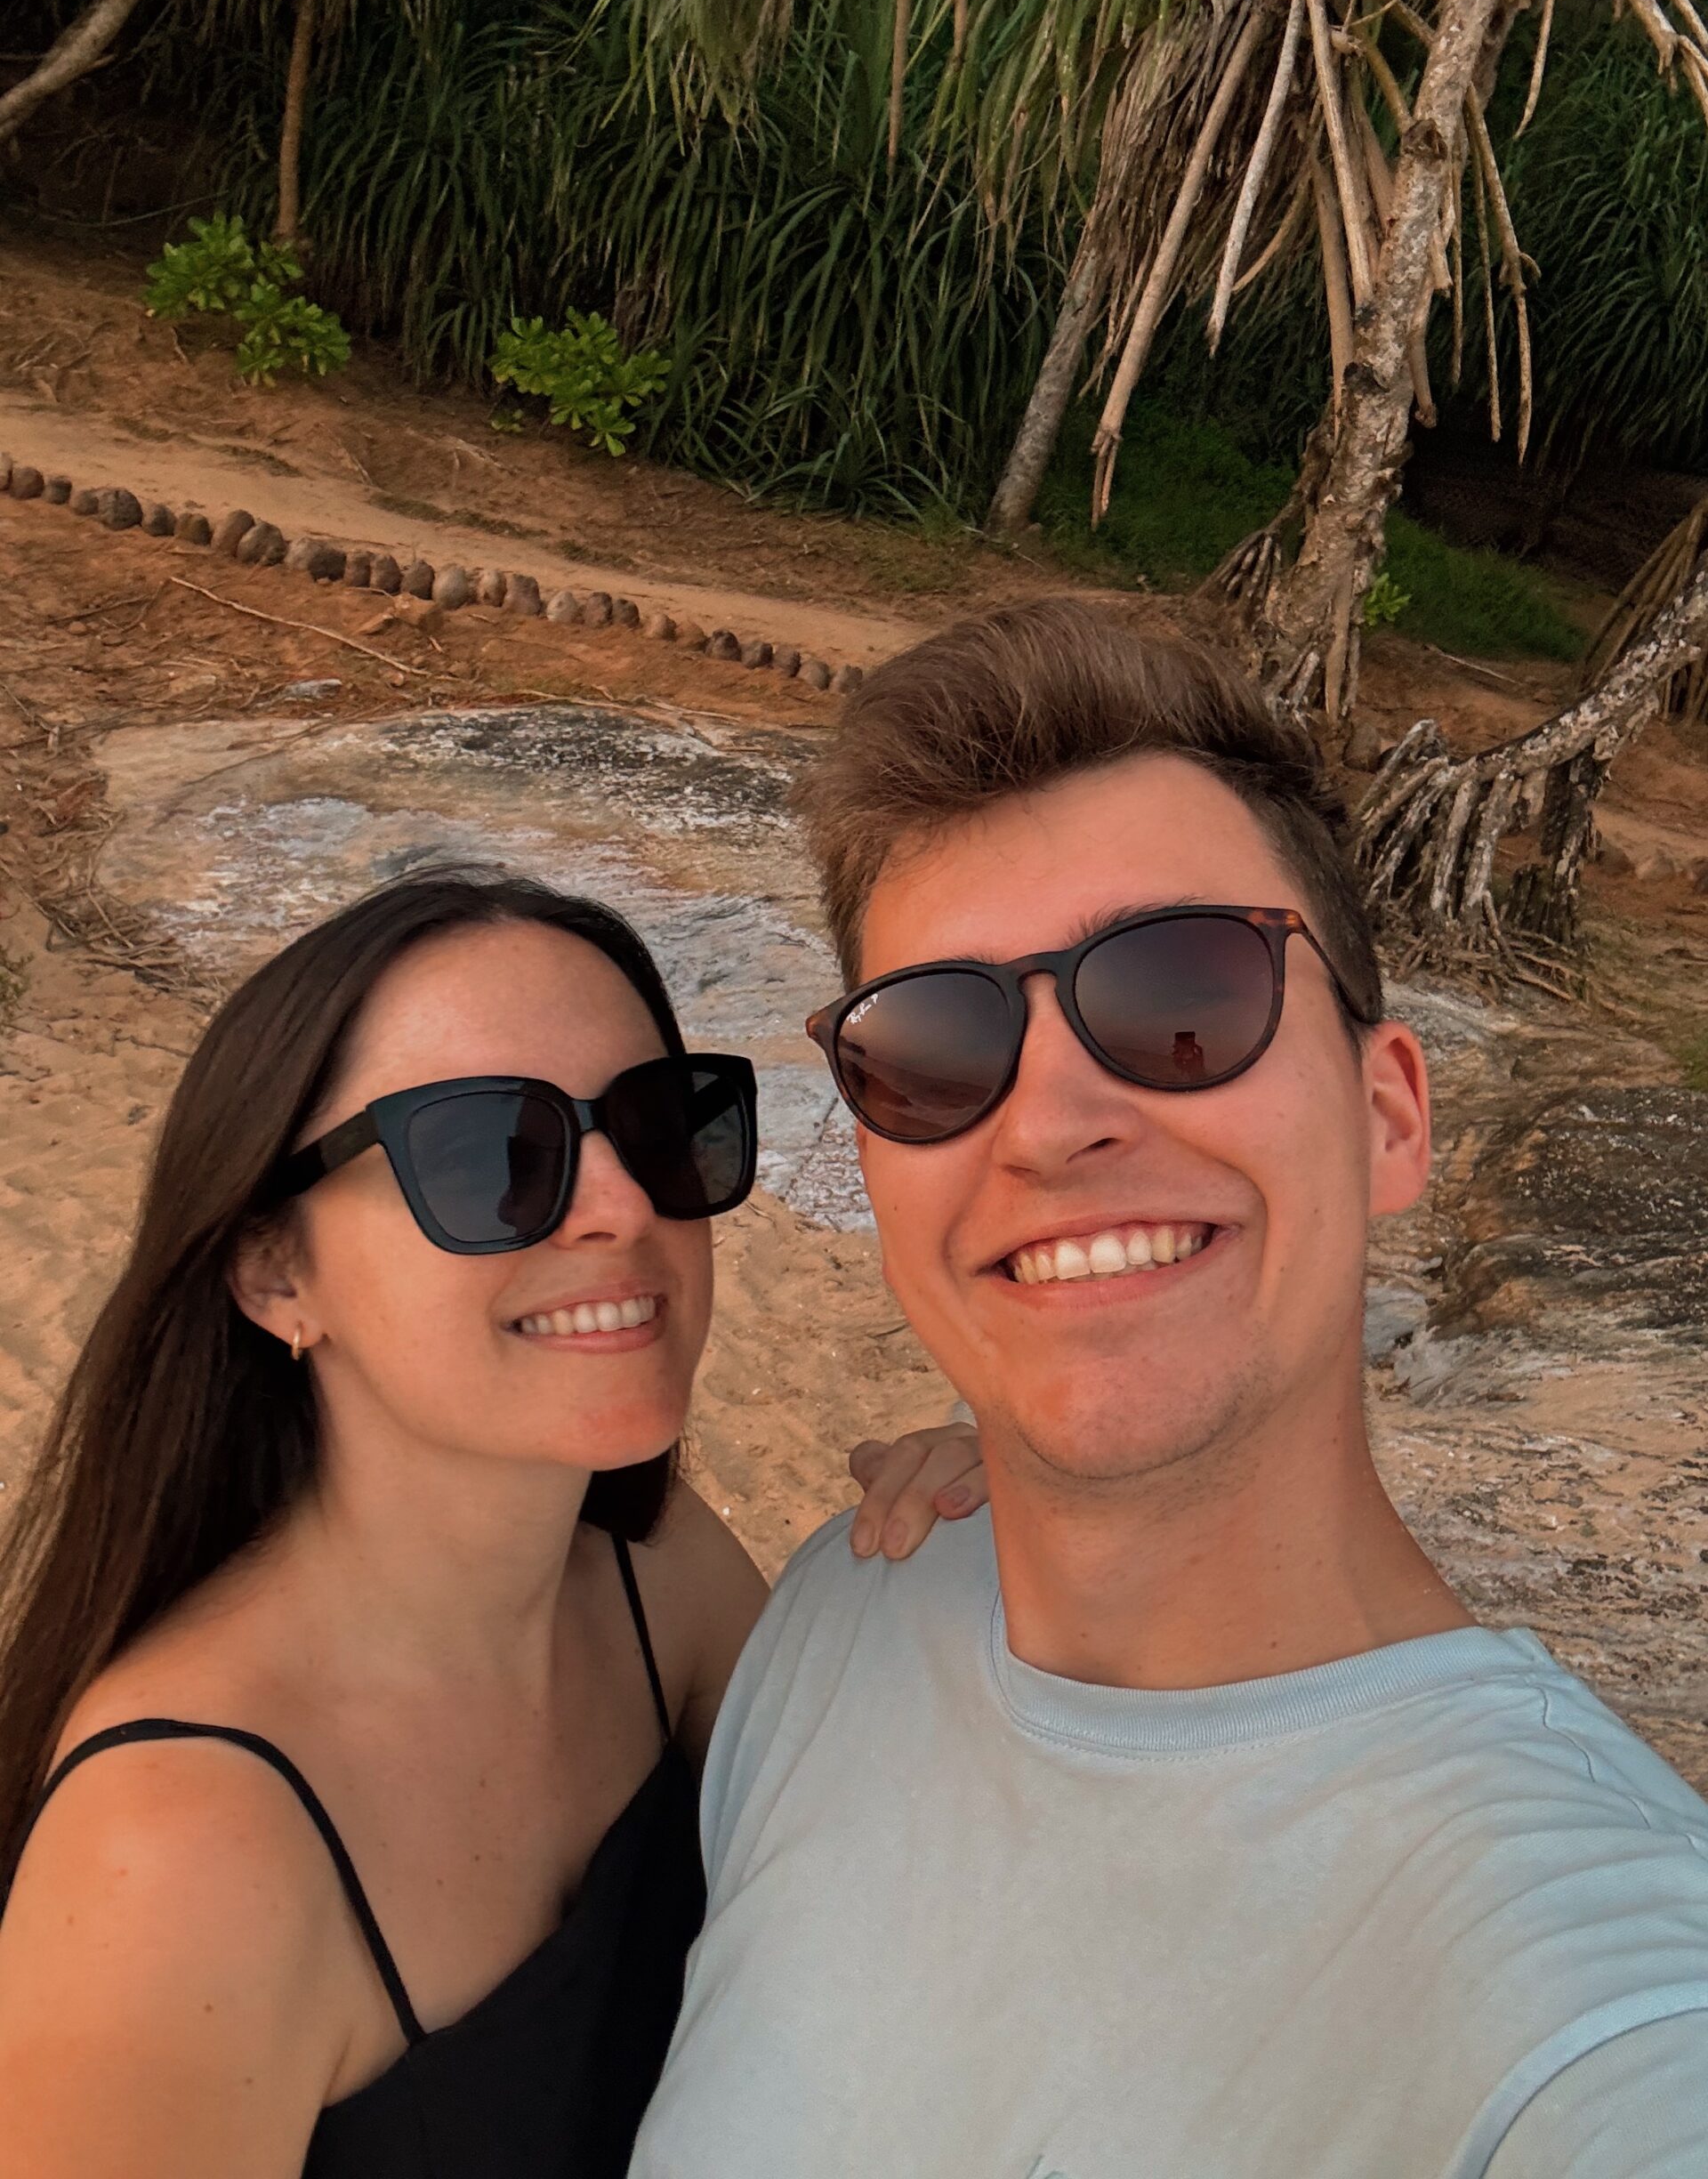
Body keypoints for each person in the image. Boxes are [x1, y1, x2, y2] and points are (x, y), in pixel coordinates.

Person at [632, 600, 1708, 2178]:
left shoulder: (1601, 2010)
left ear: (1389, 1117)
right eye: (935, 1047)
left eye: (1180, 997)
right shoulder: (845, 1616)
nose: (1045, 1122)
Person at [0, 872, 984, 2179]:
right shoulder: (179, 1858)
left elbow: (899, 1897)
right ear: (276, 1274)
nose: (621, 1207)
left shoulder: (660, 1579)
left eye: (657, 1127)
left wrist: (999, 1523)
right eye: (488, 1155)